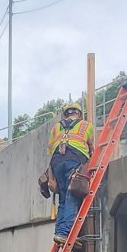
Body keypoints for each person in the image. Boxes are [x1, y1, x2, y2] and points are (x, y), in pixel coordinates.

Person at [40, 103, 92, 243]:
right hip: (74, 160)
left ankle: (59, 232)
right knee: (72, 197)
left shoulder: (56, 127)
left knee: (63, 198)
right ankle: (64, 233)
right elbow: (91, 146)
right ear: (80, 114)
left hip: (57, 162)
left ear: (65, 114)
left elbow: (50, 150)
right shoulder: (86, 125)